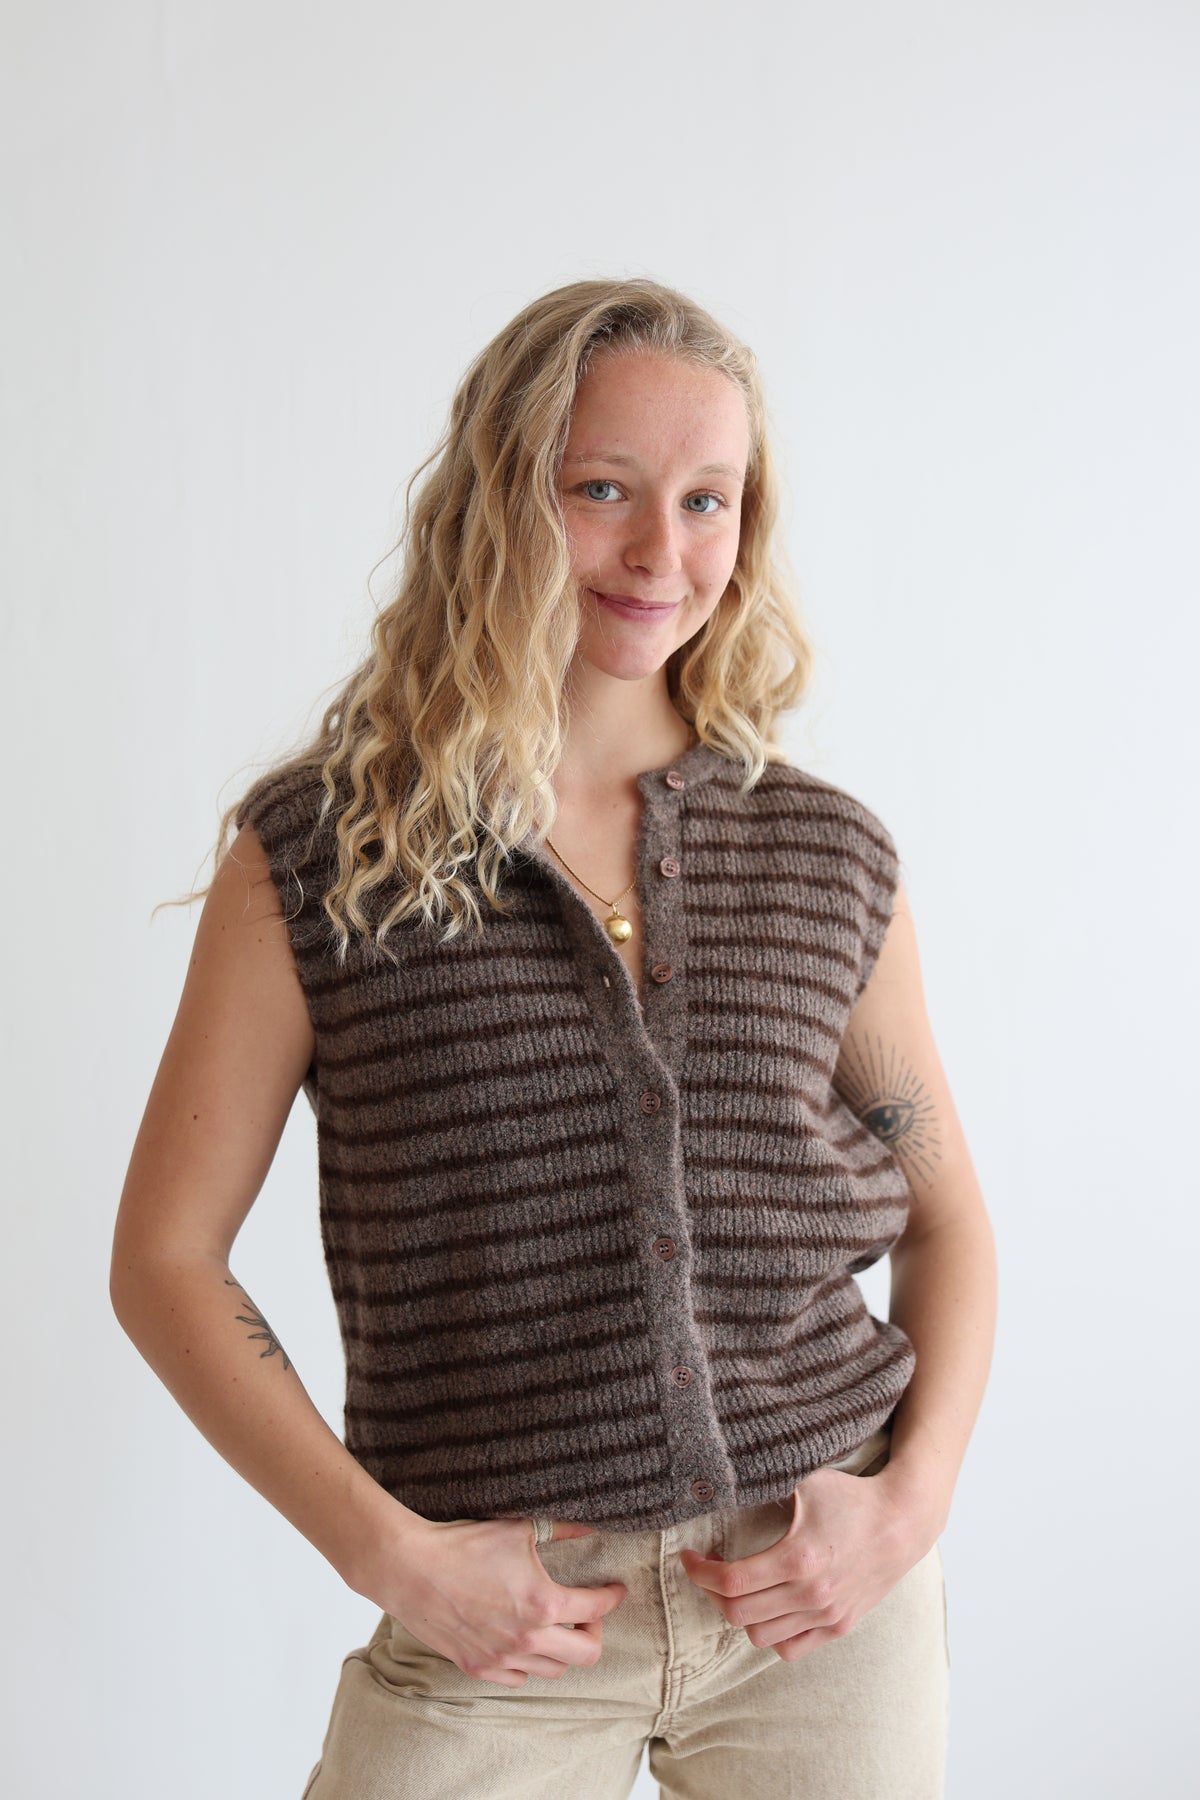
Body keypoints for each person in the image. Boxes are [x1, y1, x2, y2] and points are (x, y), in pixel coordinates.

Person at [110, 276, 997, 1799]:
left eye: (707, 500)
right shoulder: (326, 858)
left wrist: (910, 1505)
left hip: (816, 1598)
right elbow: (166, 1259)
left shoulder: (824, 852)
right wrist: (388, 1555)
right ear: (499, 503)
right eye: (603, 490)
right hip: (499, 1619)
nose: (663, 552)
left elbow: (949, 1218)